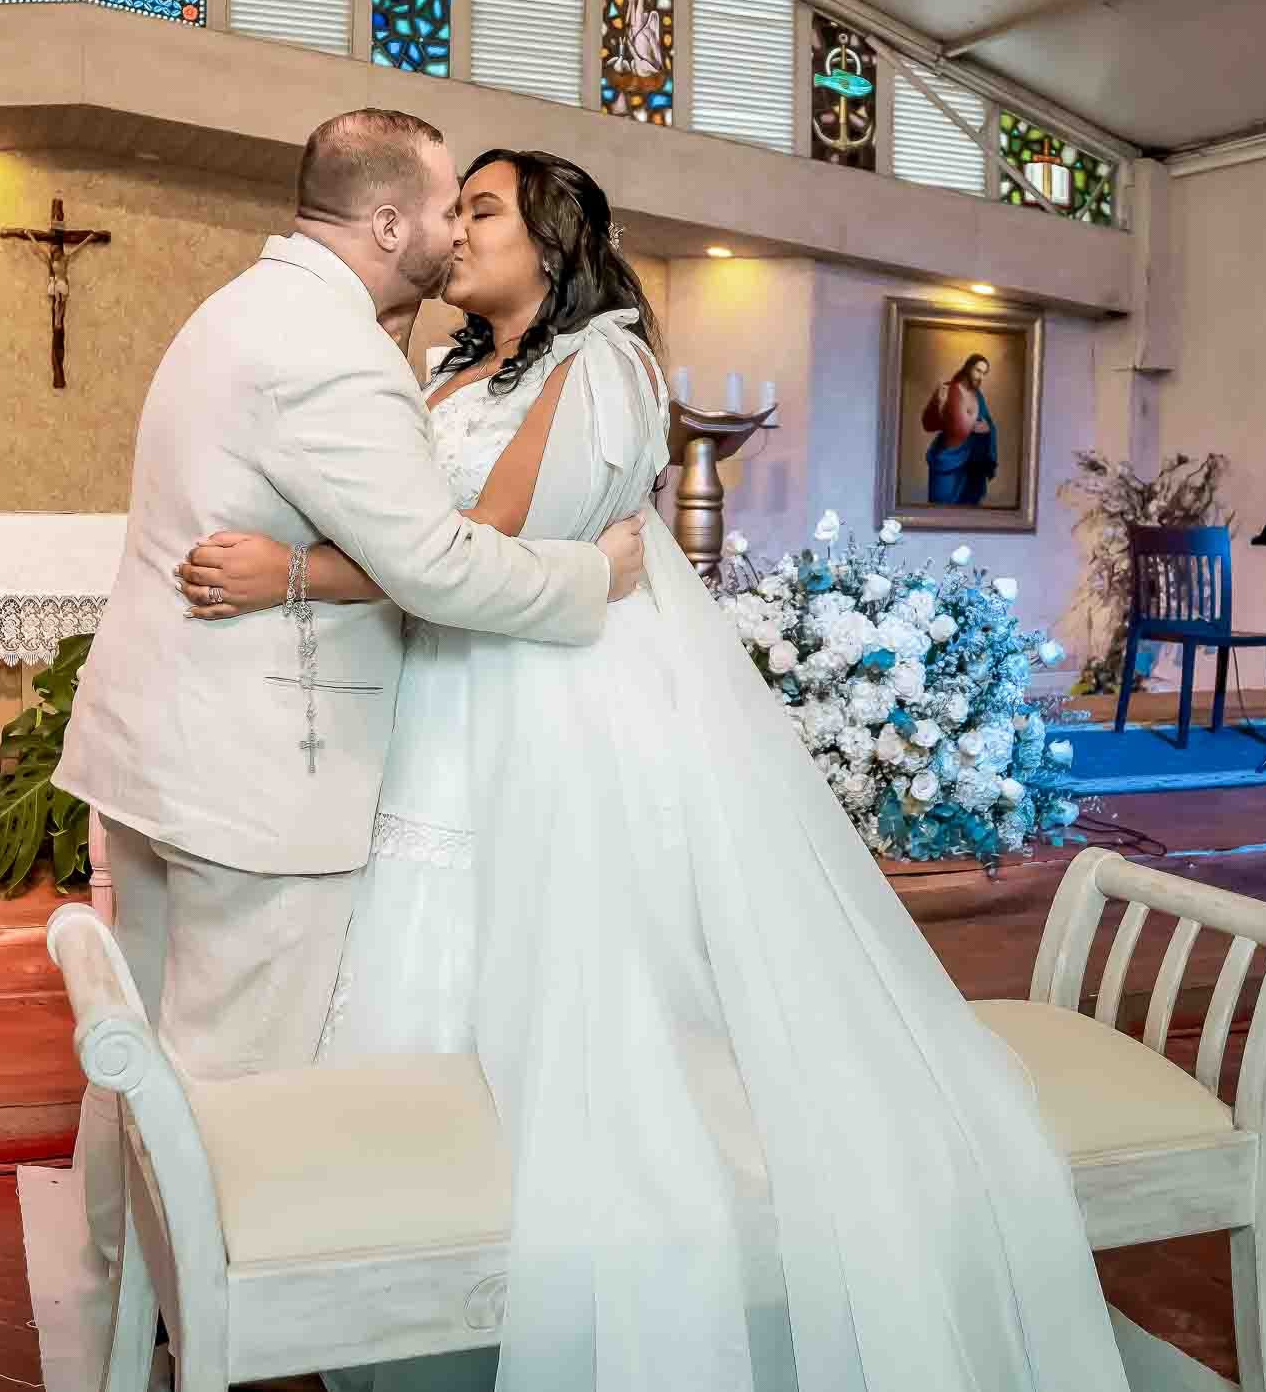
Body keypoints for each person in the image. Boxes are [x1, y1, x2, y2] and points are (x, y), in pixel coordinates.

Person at [177, 149, 1130, 1392]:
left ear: (554, 243)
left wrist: (293, 574)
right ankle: (406, 1236)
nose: (454, 232)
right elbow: (411, 533)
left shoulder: (604, 363)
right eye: (452, 207)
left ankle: (569, 1273)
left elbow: (485, 544)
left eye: (481, 211)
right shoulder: (449, 361)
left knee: (579, 990)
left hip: (555, 691)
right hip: (451, 690)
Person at [53, 111, 648, 1346]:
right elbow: (433, 561)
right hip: (252, 774)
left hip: (171, 754)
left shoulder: (237, 308)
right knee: (232, 1091)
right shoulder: (336, 350)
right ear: (388, 223)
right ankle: (201, 1332)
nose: (453, 228)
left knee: (147, 1056)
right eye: (446, 205)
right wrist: (592, 577)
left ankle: (123, 1287)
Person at [922, 352, 997, 505]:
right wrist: (939, 404)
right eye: (978, 371)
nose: (980, 377)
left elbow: (988, 422)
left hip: (971, 464)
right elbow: (928, 424)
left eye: (984, 373)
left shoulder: (978, 396)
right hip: (947, 460)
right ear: (968, 368)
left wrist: (988, 428)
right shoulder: (947, 390)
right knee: (940, 510)